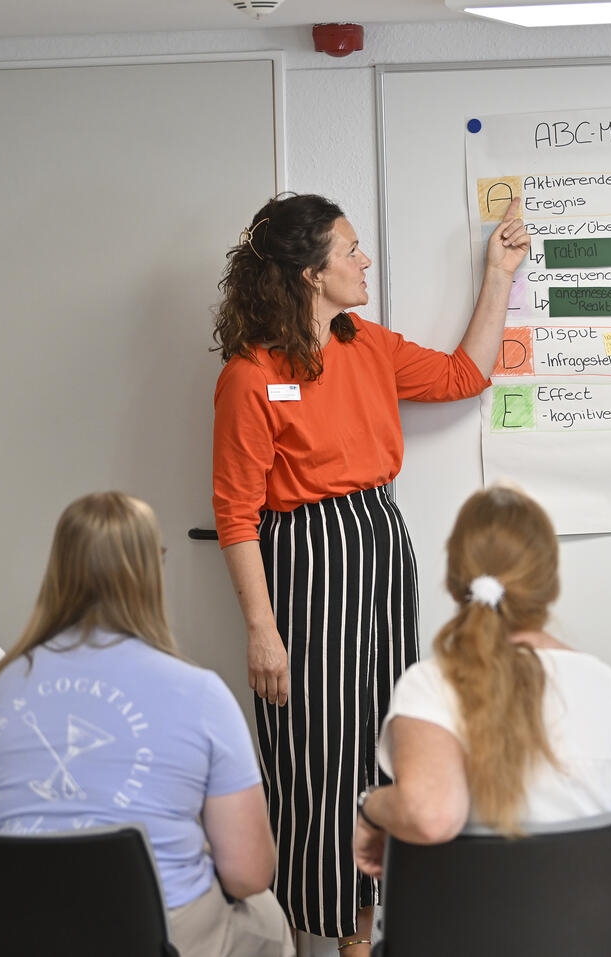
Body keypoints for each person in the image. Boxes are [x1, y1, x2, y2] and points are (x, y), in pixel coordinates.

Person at [210, 192, 530, 952]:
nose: (365, 262)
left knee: (380, 742)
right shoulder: (251, 375)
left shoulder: (368, 344)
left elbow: (463, 375)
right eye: (350, 250)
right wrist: (262, 628)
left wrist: (498, 276)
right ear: (310, 271)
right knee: (315, 753)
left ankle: (364, 935)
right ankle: (313, 930)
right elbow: (235, 513)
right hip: (305, 561)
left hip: (379, 545)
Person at [0, 493, 293, 957]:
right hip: (150, 936)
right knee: (268, 919)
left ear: (58, 570)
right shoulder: (201, 693)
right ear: (152, 570)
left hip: (13, 934)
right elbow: (249, 873)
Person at [351, 484, 611, 875]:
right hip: (599, 937)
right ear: (550, 588)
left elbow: (431, 816)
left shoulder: (432, 685)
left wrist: (371, 806)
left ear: (454, 583)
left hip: (461, 935)